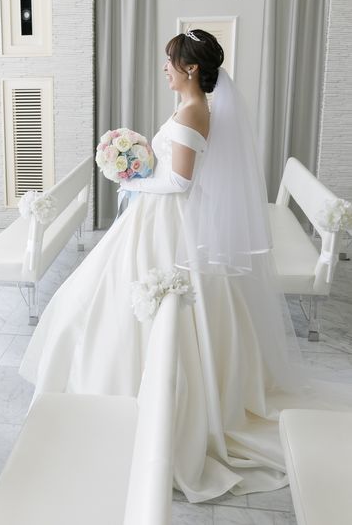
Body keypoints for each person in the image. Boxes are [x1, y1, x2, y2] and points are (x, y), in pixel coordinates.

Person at [20, 30, 352, 503]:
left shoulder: (195, 109)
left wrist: (133, 181)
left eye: (170, 61)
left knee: (152, 308)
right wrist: (138, 168)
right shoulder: (192, 106)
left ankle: (162, 411)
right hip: (155, 220)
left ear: (191, 68)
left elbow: (180, 182)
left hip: (168, 225)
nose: (165, 69)